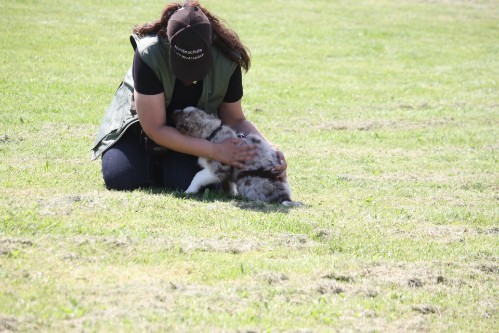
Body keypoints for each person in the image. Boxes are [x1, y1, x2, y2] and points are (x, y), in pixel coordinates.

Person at [92, 0, 287, 191]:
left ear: (210, 46)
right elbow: (155, 128)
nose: (189, 78)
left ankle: (167, 167)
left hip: (193, 132)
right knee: (121, 178)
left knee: (185, 182)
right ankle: (155, 163)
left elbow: (235, 120)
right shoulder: (148, 54)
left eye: (197, 67)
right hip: (142, 129)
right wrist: (216, 151)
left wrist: (268, 149)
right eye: (182, 67)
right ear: (168, 44)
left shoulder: (228, 59)